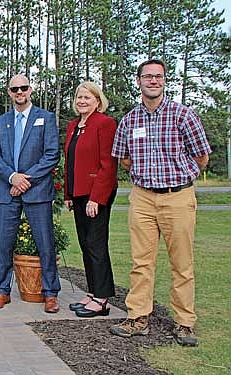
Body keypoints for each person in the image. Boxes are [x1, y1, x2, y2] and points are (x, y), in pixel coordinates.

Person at [110, 59, 211, 347]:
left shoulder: (183, 115)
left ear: (165, 81)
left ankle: (185, 322)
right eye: (148, 76)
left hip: (177, 196)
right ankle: (138, 317)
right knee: (141, 261)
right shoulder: (130, 120)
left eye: (158, 77)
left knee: (182, 263)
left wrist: (179, 176)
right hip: (142, 197)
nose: (153, 81)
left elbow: (202, 156)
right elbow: (124, 159)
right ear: (138, 81)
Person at [0, 74, 61, 313]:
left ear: (31, 90)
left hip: (36, 190)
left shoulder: (46, 118)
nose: (19, 92)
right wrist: (12, 177)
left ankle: (50, 294)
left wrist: (25, 178)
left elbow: (51, 155)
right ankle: (2, 292)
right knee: (5, 244)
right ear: (9, 93)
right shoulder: (1, 121)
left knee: (45, 243)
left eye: (23, 88)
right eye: (14, 89)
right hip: (7, 190)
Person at [64, 82, 118, 318]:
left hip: (96, 193)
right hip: (77, 193)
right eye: (79, 97)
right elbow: (70, 162)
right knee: (85, 244)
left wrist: (96, 198)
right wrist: (68, 193)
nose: (82, 101)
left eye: (87, 97)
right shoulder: (74, 126)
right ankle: (93, 291)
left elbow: (108, 164)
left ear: (98, 100)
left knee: (96, 244)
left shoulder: (104, 124)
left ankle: (102, 299)